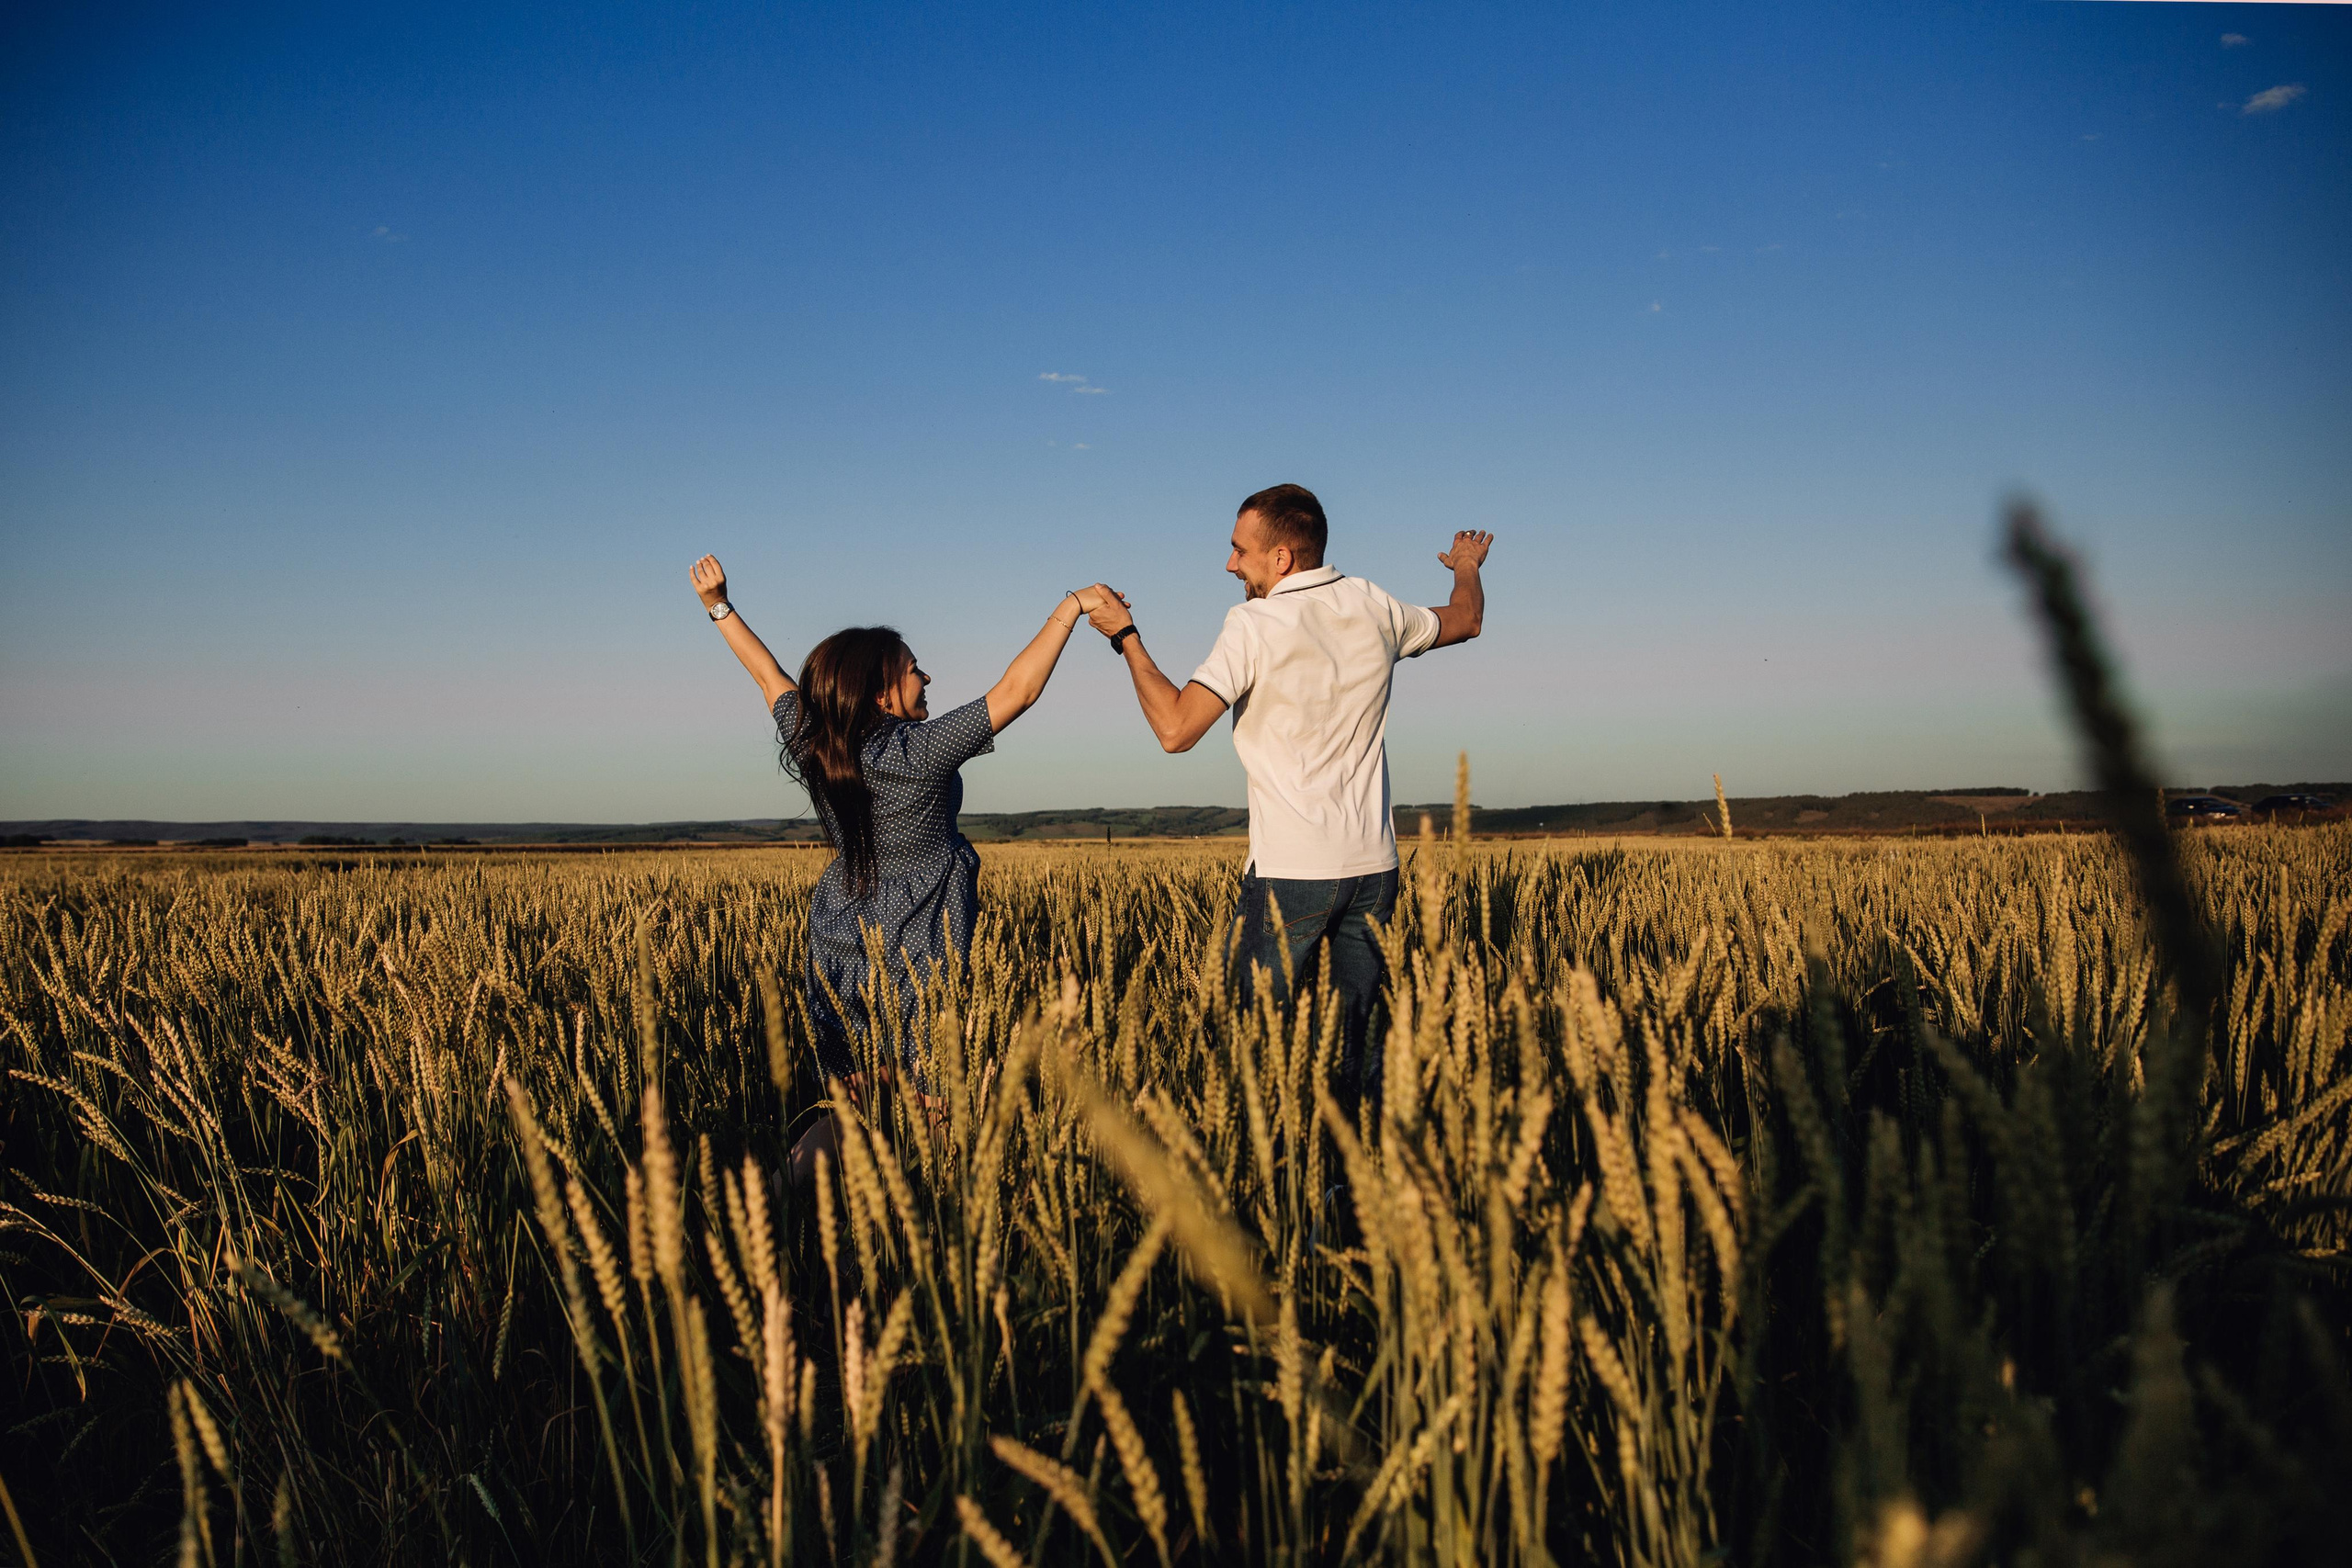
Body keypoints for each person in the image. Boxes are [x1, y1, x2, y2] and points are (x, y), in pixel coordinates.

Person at [1078, 485, 1492, 1112]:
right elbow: (1467, 620)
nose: (1229, 565)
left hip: (1291, 877)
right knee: (1355, 1062)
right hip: (1374, 872)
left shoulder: (1254, 623)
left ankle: (1275, 1189)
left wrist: (1126, 636)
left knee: (1255, 1062)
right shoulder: (1373, 603)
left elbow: (1175, 729)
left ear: (1281, 560)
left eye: (1238, 551)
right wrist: (1466, 564)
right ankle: (1348, 1189)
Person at [690, 554, 1103, 1180]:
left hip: (841, 933)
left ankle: (770, 1202)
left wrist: (718, 605)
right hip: (923, 936)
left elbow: (765, 673)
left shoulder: (815, 741)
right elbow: (1018, 690)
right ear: (882, 693)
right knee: (933, 1098)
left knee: (847, 1100)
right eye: (914, 671)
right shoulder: (921, 749)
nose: (926, 676)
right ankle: (929, 1214)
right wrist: (1069, 608)